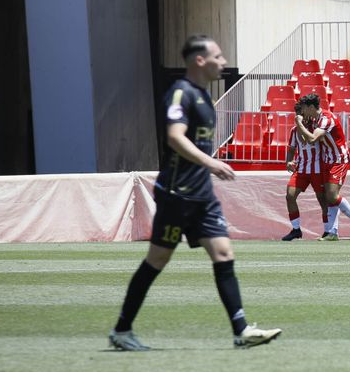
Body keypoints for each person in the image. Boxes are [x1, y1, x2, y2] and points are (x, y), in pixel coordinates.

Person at [107, 36, 281, 351]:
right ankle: (121, 330)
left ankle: (241, 330)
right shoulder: (180, 94)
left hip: (202, 196)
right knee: (156, 260)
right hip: (178, 194)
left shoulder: (202, 96)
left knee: (224, 254)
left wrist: (208, 170)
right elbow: (175, 137)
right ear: (200, 60)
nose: (223, 61)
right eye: (218, 55)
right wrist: (211, 163)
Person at [281, 94, 350, 242]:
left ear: (311, 108)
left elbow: (313, 139)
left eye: (304, 110)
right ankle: (332, 232)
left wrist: (299, 124)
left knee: (330, 196)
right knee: (327, 196)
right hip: (326, 161)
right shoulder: (314, 121)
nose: (302, 114)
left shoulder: (326, 118)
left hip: (338, 160)